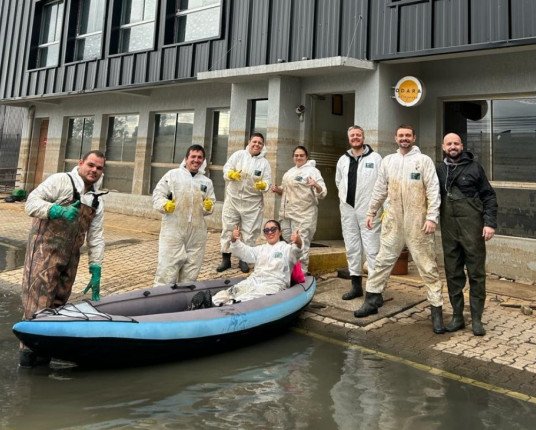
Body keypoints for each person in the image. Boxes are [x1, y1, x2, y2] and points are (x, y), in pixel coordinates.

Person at [354, 125, 446, 334]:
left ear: (414, 137)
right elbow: (379, 189)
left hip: (418, 223)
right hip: (393, 221)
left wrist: (432, 217)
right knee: (382, 261)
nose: (404, 138)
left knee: (427, 266)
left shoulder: (423, 161)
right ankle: (372, 299)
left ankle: (436, 310)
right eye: (401, 135)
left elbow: (433, 190)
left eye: (408, 135)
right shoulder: (388, 161)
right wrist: (371, 212)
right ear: (395, 138)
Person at [20, 150, 107, 367]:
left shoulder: (96, 200)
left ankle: (45, 360)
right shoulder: (61, 181)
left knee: (57, 307)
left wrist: (96, 267)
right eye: (91, 165)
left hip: (70, 259)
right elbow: (30, 203)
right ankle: (28, 363)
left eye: (99, 168)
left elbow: (96, 236)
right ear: (80, 163)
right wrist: (56, 210)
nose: (94, 170)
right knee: (37, 309)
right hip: (43, 254)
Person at [437, 133, 497, 336]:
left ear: (462, 146)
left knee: (476, 274)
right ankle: (457, 316)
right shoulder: (439, 169)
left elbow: (488, 196)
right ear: (443, 147)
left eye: (456, 143)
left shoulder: (475, 167)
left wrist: (490, 223)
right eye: (449, 143)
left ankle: (477, 319)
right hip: (449, 229)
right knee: (452, 272)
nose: (453, 146)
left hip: (473, 228)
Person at [153, 144, 215, 287]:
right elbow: (158, 195)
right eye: (193, 156)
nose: (196, 160)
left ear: (203, 160)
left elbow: (210, 202)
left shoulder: (206, 182)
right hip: (173, 231)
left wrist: (208, 206)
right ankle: (160, 302)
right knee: (167, 271)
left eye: (200, 157)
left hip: (197, 233)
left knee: (191, 273)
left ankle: (184, 302)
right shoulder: (172, 175)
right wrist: (164, 205)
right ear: (186, 158)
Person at [335, 126, 383, 300]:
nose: (355, 138)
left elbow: (382, 183)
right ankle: (356, 287)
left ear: (363, 137)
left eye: (358, 135)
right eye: (352, 135)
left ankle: (375, 291)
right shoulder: (342, 160)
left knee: (372, 250)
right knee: (352, 248)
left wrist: (377, 207)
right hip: (348, 209)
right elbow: (338, 181)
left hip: (369, 210)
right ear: (348, 139)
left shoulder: (376, 158)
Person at [217, 132, 272, 274]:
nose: (257, 145)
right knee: (228, 228)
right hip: (233, 200)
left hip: (252, 203)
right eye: (254, 142)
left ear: (263, 146)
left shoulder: (264, 163)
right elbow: (227, 168)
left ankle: (244, 259)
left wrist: (263, 185)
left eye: (260, 143)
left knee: (250, 232)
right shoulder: (238, 155)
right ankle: (226, 258)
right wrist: (230, 174)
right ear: (249, 142)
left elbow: (267, 182)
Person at [211, 220, 302, 306]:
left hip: (274, 284)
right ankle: (211, 301)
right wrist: (234, 240)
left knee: (248, 298)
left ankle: (231, 307)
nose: (270, 232)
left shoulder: (286, 249)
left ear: (280, 232)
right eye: (267, 230)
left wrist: (298, 242)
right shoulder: (261, 249)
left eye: (273, 229)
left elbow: (296, 251)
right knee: (232, 292)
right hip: (254, 280)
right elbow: (245, 251)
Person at [271, 145, 327, 274]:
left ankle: (302, 273)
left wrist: (316, 185)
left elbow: (323, 192)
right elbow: (284, 190)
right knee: (288, 241)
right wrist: (277, 189)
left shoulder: (313, 172)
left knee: (301, 244)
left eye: (301, 155)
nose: (299, 157)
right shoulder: (289, 172)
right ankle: (291, 270)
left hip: (304, 215)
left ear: (306, 157)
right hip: (286, 214)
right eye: (296, 155)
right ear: (293, 157)